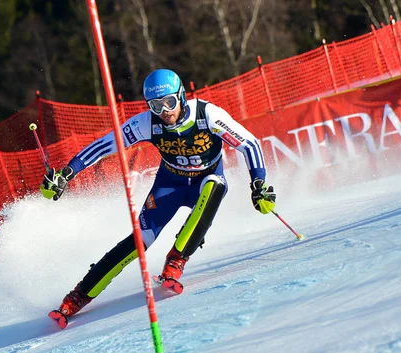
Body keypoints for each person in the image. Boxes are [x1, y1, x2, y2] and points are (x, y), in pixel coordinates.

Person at [41, 69, 276, 321]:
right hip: (170, 184)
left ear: (182, 96)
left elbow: (249, 144)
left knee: (214, 186)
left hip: (204, 180)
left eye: (169, 102)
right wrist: (67, 173)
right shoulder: (147, 123)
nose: (165, 111)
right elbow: (106, 144)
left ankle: (176, 260)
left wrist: (258, 184)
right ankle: (78, 296)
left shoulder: (206, 114)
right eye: (156, 105)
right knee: (139, 242)